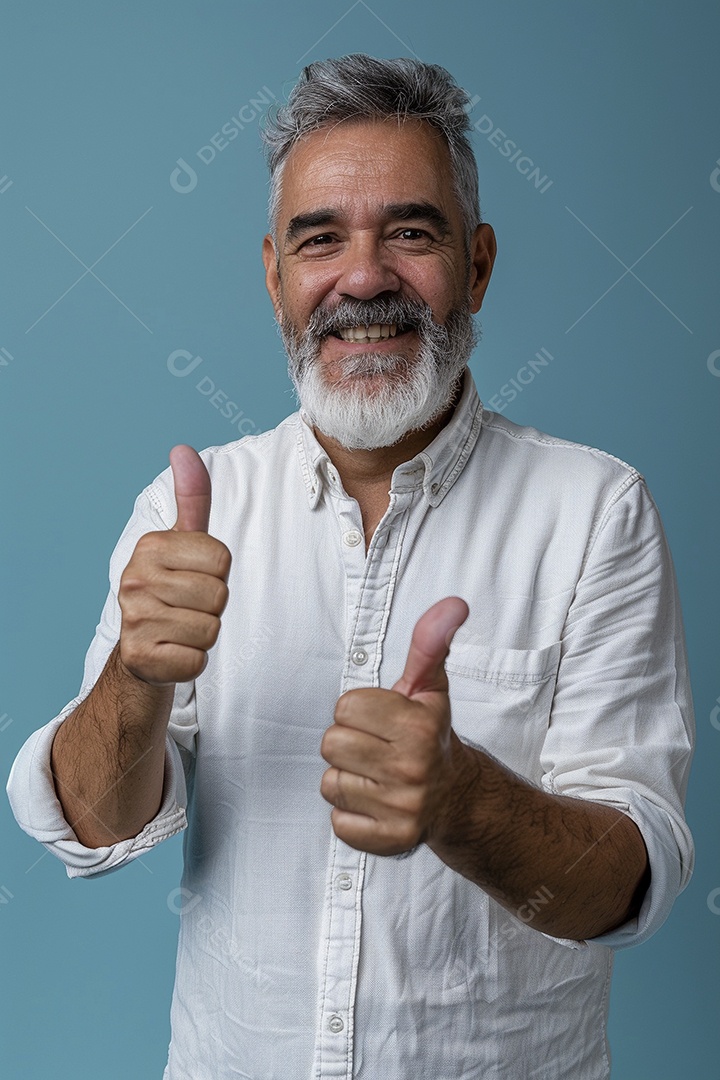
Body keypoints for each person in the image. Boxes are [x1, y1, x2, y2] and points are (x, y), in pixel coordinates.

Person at [7, 55, 694, 1079]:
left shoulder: (596, 513)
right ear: (276, 275)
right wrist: (137, 678)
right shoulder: (190, 514)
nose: (363, 278)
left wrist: (461, 800)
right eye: (320, 238)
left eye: (410, 233)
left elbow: (624, 886)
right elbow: (97, 826)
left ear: (480, 264)